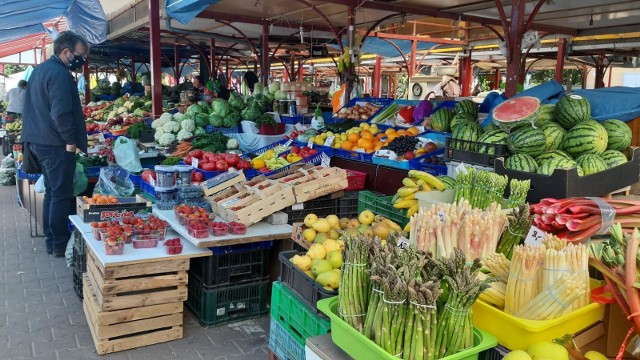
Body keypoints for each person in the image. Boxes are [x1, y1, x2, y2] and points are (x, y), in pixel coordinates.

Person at [22, 31, 89, 257]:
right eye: (80, 55)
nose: (82, 60)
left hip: (40, 142)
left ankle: (52, 242)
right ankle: (59, 244)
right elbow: (60, 114)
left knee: (52, 192)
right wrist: (71, 142)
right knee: (61, 194)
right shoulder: (59, 74)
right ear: (66, 52)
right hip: (55, 144)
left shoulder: (40, 70)